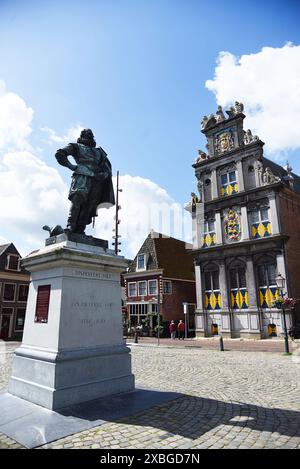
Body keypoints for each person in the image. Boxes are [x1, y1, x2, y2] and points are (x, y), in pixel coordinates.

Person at [55, 128, 115, 234]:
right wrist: (72, 166)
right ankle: (70, 225)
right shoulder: (75, 146)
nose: (89, 135)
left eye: (91, 134)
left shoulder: (99, 152)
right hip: (82, 176)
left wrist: (104, 174)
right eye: (86, 134)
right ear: (82, 135)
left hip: (97, 180)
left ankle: (80, 230)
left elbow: (107, 169)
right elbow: (60, 154)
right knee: (77, 199)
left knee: (89, 205)